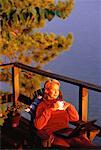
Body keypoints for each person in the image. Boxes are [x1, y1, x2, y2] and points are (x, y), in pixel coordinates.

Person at [34, 79, 95, 148]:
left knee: (84, 141)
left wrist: (69, 106)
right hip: (52, 134)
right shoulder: (42, 105)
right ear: (47, 91)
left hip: (66, 132)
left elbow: (75, 118)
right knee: (70, 145)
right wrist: (50, 109)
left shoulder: (61, 103)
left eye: (57, 90)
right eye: (54, 90)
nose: (56, 92)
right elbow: (38, 126)